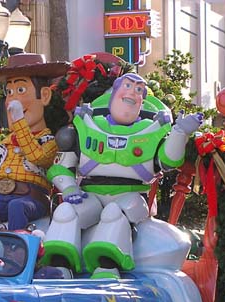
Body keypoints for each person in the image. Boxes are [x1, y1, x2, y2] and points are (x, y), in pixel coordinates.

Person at [41, 72, 203, 278]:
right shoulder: (87, 129)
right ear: (114, 92)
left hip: (131, 195)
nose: (132, 93)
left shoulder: (151, 133)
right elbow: (60, 168)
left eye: (138, 90)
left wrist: (180, 132)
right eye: (127, 86)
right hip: (91, 194)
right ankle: (59, 265)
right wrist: (70, 187)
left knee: (114, 213)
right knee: (66, 211)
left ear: (143, 101)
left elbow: (169, 161)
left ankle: (108, 266)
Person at [0, 53, 70, 231]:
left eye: (20, 90)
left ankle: (16, 248)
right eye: (9, 92)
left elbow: (37, 157)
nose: (11, 100)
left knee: (17, 207)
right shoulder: (7, 143)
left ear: (44, 95)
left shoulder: (49, 140)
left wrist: (19, 121)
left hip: (30, 198)